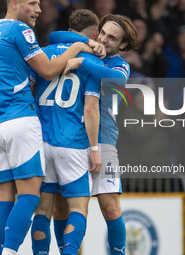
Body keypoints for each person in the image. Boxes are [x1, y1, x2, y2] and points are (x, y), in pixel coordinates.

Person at [0, 1, 100, 255]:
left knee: (3, 201)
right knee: (30, 197)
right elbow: (47, 70)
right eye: (32, 3)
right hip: (20, 121)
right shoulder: (21, 32)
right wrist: (78, 46)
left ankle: (2, 251)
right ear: (14, 3)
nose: (39, 9)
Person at [49, 13, 139, 255]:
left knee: (110, 208)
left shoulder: (118, 65)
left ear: (123, 45)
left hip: (104, 142)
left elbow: (118, 80)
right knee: (62, 209)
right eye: (102, 33)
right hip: (72, 141)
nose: (105, 39)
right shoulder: (85, 48)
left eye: (112, 38)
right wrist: (86, 45)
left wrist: (82, 63)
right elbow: (55, 35)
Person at [30, 9, 102, 255]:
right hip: (72, 142)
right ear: (94, 33)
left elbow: (29, 92)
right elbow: (91, 110)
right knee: (79, 209)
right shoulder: (91, 62)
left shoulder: (44, 53)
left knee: (42, 211)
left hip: (41, 141)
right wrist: (94, 150)